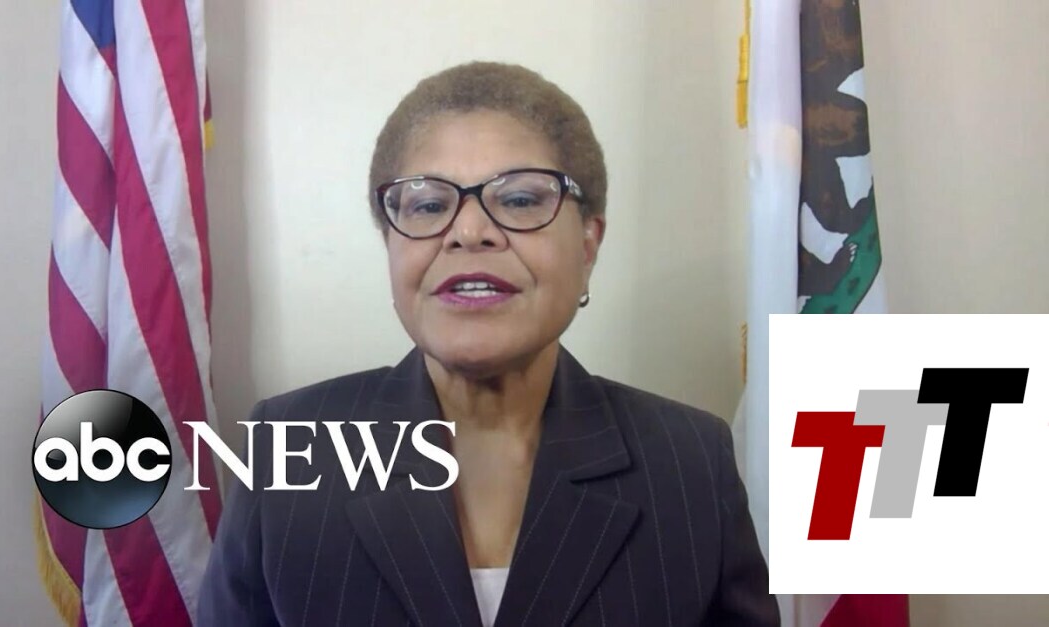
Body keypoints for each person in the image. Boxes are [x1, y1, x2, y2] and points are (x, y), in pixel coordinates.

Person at [198, 61, 778, 627]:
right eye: (429, 204)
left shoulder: (690, 462)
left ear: (587, 246)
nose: (470, 231)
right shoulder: (286, 448)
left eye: (520, 200)